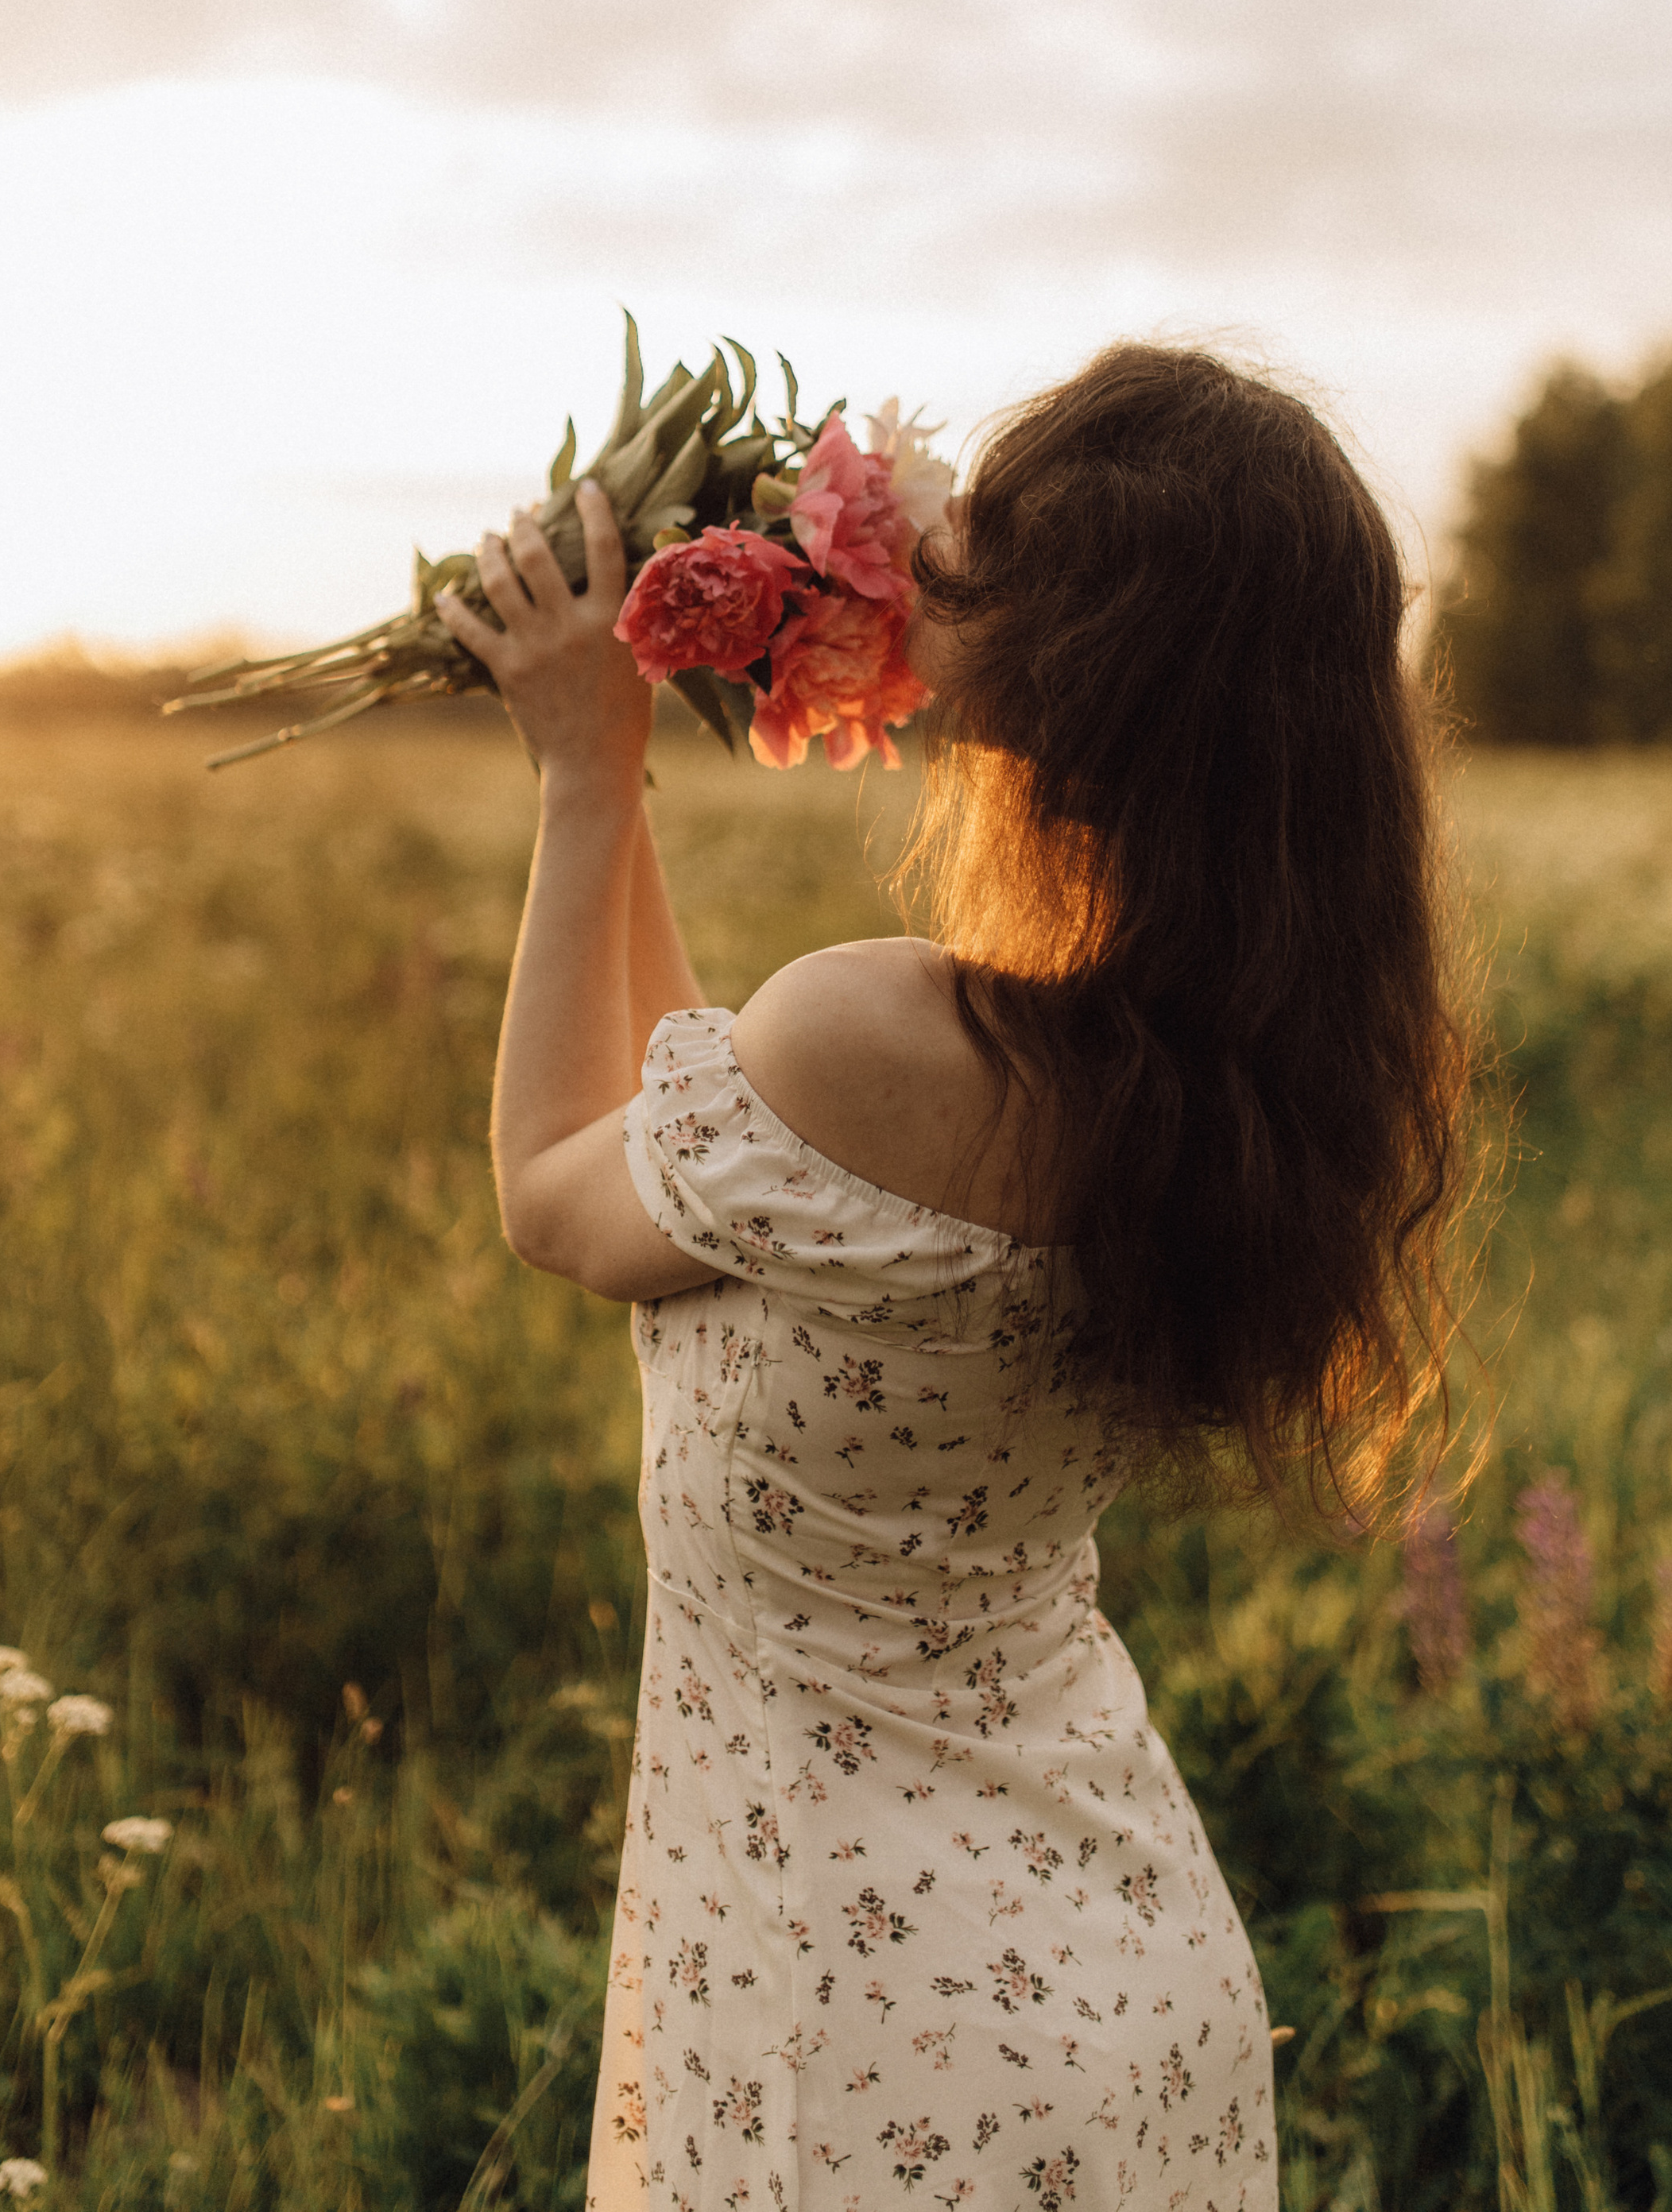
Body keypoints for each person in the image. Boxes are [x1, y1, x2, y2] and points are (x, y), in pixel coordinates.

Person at [439, 341, 1474, 2212]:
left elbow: (552, 1191)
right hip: (1110, 1995)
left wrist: (583, 782)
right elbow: (708, 1144)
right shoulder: (1212, 1093)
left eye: (997, 535)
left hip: (863, 2046)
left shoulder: (873, 1038)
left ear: (1084, 655)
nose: (936, 554)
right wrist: (619, 771)